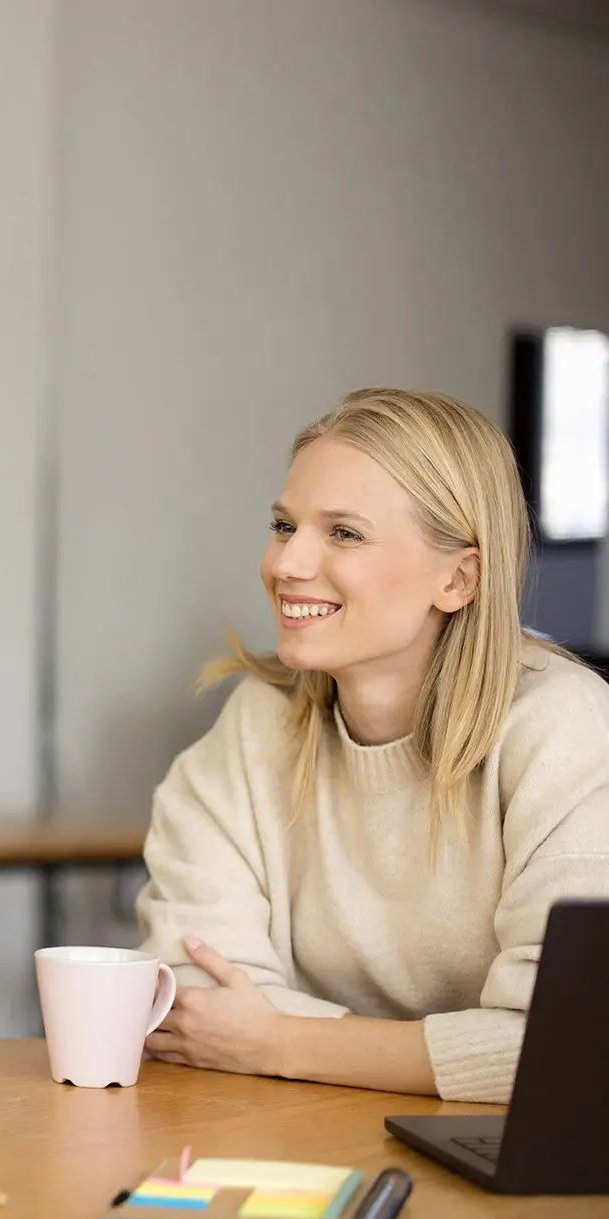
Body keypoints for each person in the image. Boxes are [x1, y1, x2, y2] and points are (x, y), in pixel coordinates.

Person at [137, 387, 609, 1104]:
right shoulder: (255, 726)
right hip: (302, 1138)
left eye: (344, 534)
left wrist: (281, 1041)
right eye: (283, 525)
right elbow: (197, 1000)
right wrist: (428, 1053)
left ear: (459, 578)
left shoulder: (565, 731)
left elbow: (564, 1048)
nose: (287, 564)